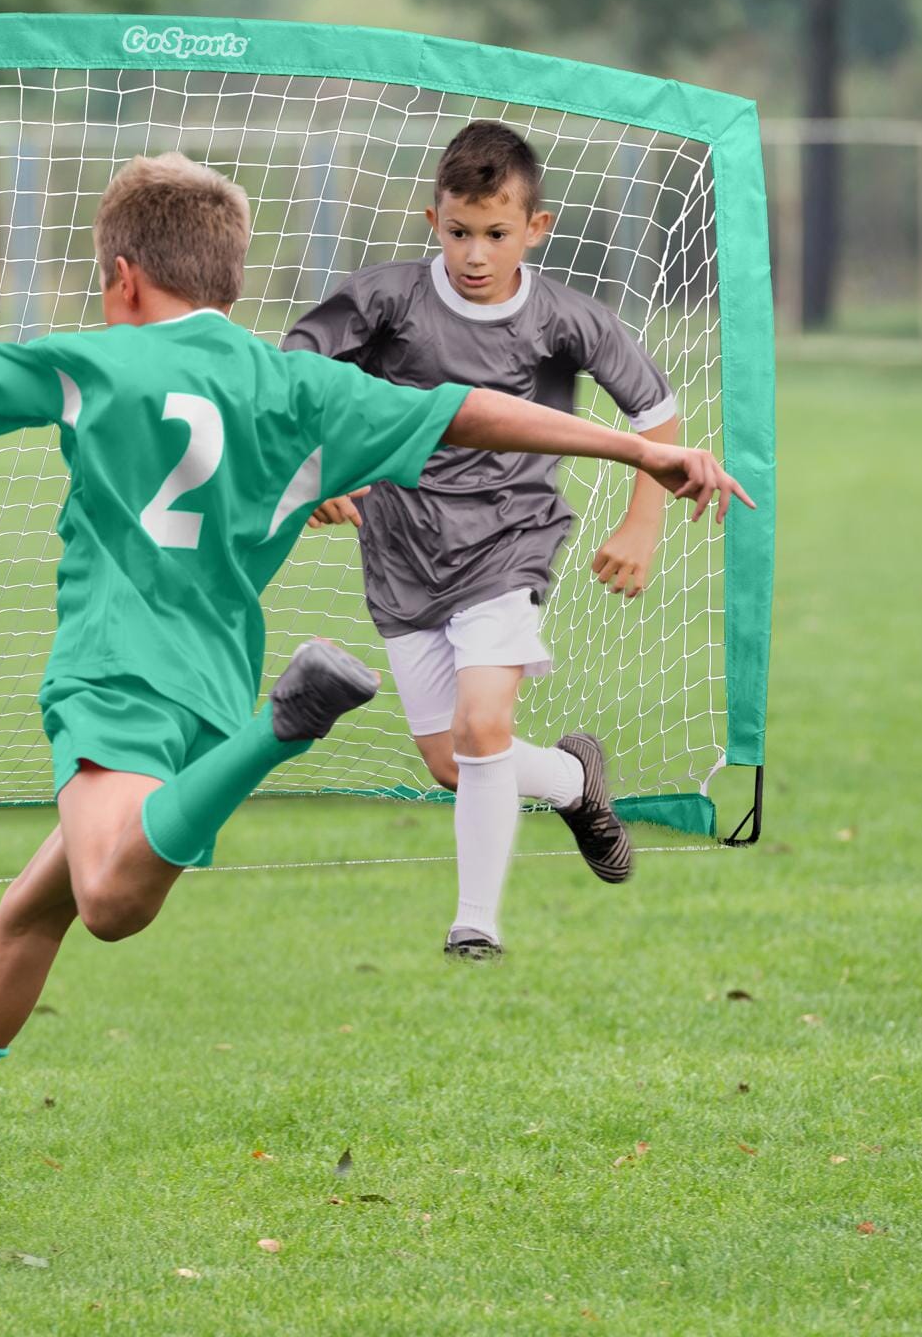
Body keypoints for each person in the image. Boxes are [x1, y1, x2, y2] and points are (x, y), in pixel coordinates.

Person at [0, 152, 750, 1226]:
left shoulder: (83, 359)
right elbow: (469, 409)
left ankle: (287, 723)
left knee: (109, 901)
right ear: (227, 274)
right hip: (202, 695)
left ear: (121, 274)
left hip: (115, 675)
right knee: (25, 916)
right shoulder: (298, 382)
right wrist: (630, 450)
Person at [286, 119, 688, 959]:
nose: (475, 254)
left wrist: (642, 521)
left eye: (496, 234)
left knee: (481, 726)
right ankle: (578, 782)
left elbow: (656, 417)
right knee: (455, 760)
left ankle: (476, 927)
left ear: (534, 229)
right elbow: (293, 374)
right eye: (460, 232)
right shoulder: (385, 300)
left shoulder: (567, 320)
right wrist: (318, 466)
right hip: (399, 553)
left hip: (510, 543)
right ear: (433, 220)